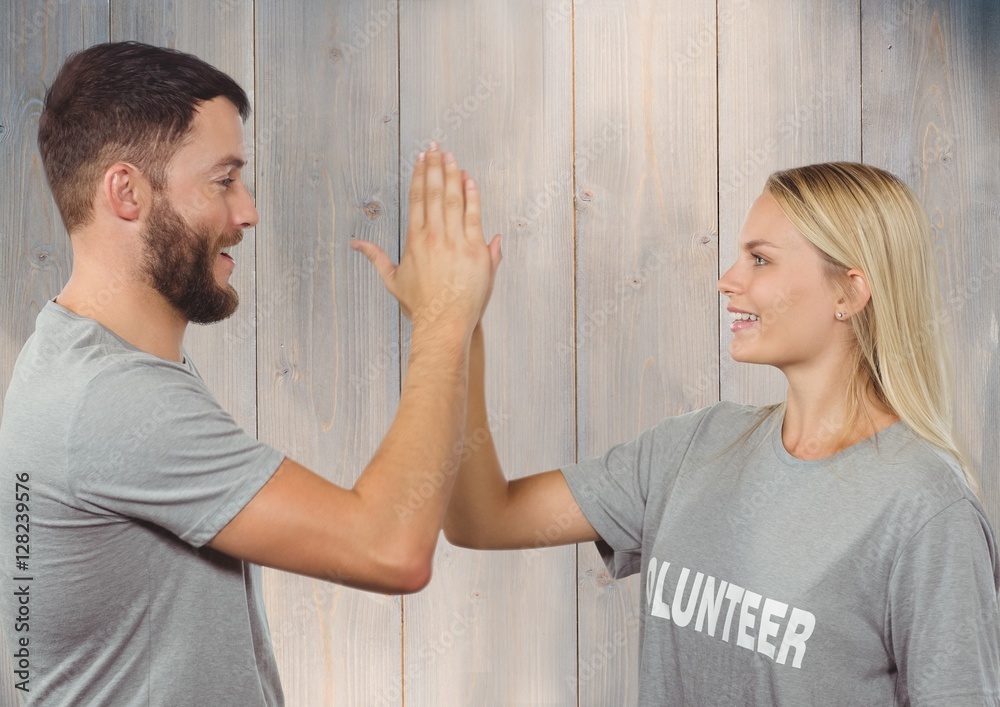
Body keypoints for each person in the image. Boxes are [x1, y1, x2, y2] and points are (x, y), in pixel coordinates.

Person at [0, 42, 500, 705]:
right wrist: (443, 319)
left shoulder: (76, 358)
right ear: (126, 192)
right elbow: (389, 546)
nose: (248, 212)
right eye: (223, 179)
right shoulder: (113, 400)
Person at [444, 162, 1000, 704]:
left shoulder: (927, 510)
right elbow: (480, 517)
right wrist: (456, 328)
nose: (728, 280)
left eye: (760, 259)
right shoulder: (693, 447)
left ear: (848, 294)